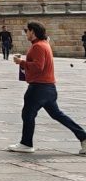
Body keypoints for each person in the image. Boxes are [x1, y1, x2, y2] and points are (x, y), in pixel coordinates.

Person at [9, 22, 86, 155]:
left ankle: (26, 144)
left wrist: (21, 62)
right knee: (57, 115)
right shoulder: (44, 44)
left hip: (38, 87)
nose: (25, 33)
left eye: (27, 31)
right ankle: (83, 136)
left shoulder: (38, 46)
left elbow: (39, 66)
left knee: (27, 114)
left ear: (33, 32)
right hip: (49, 87)